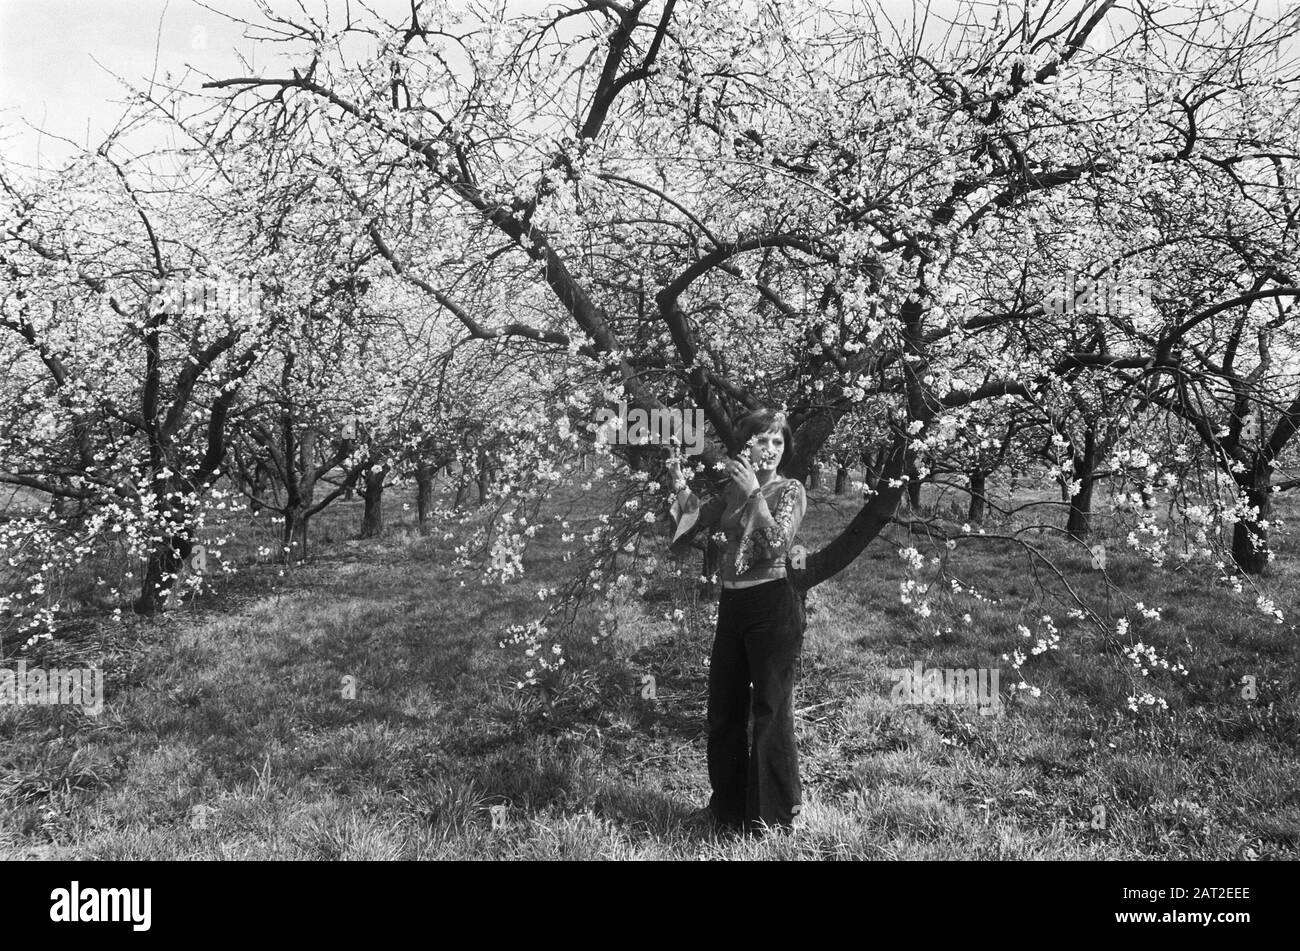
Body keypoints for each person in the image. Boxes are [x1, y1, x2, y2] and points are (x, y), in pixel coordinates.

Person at [665, 408, 809, 836]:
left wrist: (753, 495)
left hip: (773, 607)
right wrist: (678, 484)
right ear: (746, 445)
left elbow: (775, 545)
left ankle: (773, 816)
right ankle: (727, 808)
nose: (770, 450)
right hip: (733, 606)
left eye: (778, 442)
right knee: (725, 709)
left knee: (770, 709)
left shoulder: (790, 489)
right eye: (762, 441)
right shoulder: (732, 488)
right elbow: (692, 522)